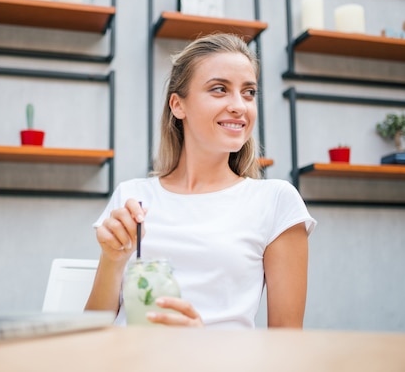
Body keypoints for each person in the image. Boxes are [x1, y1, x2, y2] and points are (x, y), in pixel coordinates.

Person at [85, 33, 316, 328]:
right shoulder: (132, 197)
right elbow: (93, 332)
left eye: (248, 92)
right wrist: (113, 259)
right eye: (220, 89)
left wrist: (202, 345)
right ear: (178, 105)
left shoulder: (276, 201)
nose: (240, 106)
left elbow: (287, 347)